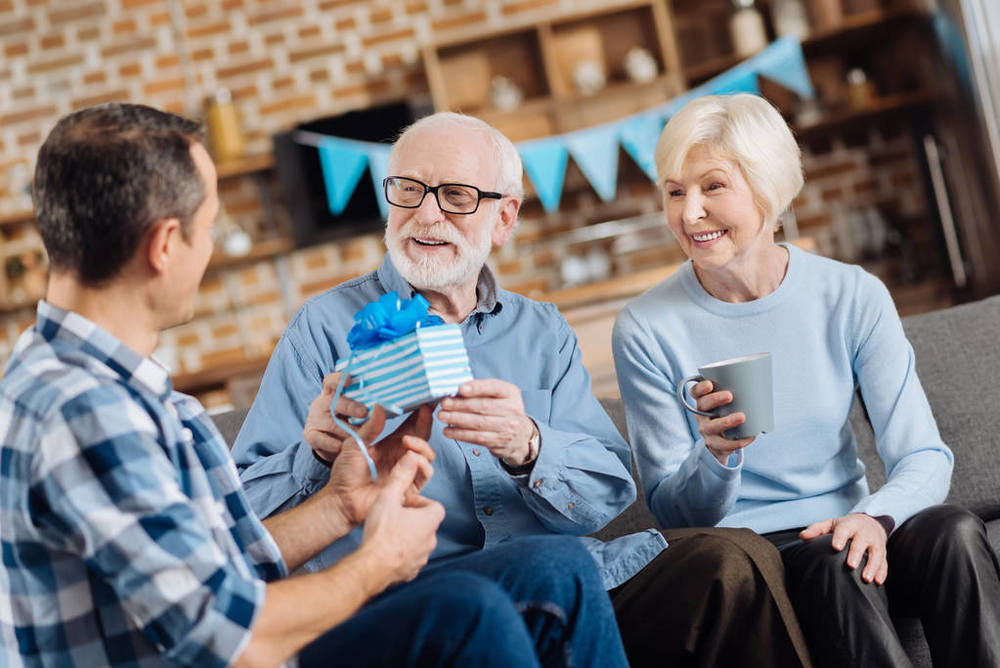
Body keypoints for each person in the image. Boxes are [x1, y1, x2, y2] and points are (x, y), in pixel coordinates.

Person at [0, 103, 608, 668]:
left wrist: (341, 504)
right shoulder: (90, 410)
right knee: (470, 612)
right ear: (165, 246)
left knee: (558, 566)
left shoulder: (98, 385)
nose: (210, 249)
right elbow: (221, 631)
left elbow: (223, 561)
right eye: (208, 226)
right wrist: (375, 565)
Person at [232, 111, 812, 667]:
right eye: (408, 190)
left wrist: (529, 447)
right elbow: (236, 530)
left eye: (455, 197)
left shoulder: (540, 330)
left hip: (569, 579)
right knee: (554, 569)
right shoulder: (324, 328)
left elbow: (609, 492)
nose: (425, 216)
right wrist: (315, 455)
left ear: (504, 219)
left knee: (735, 558)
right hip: (415, 600)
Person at [612, 93, 1000, 667]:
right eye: (675, 192)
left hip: (855, 524)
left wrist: (873, 516)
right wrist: (717, 457)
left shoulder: (850, 294)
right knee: (835, 560)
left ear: (768, 188)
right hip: (763, 556)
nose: (688, 213)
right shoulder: (646, 327)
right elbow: (675, 515)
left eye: (712, 187)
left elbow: (923, 454)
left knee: (956, 533)